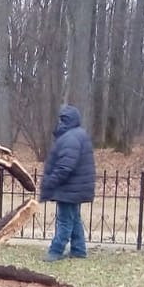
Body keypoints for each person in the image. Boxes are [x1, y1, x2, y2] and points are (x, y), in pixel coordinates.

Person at [39, 104, 96, 261]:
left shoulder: (70, 138)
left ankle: (55, 251)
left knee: (64, 220)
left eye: (62, 119)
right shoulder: (76, 135)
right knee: (74, 218)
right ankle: (79, 250)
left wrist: (50, 181)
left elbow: (65, 167)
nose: (59, 122)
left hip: (69, 188)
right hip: (73, 188)